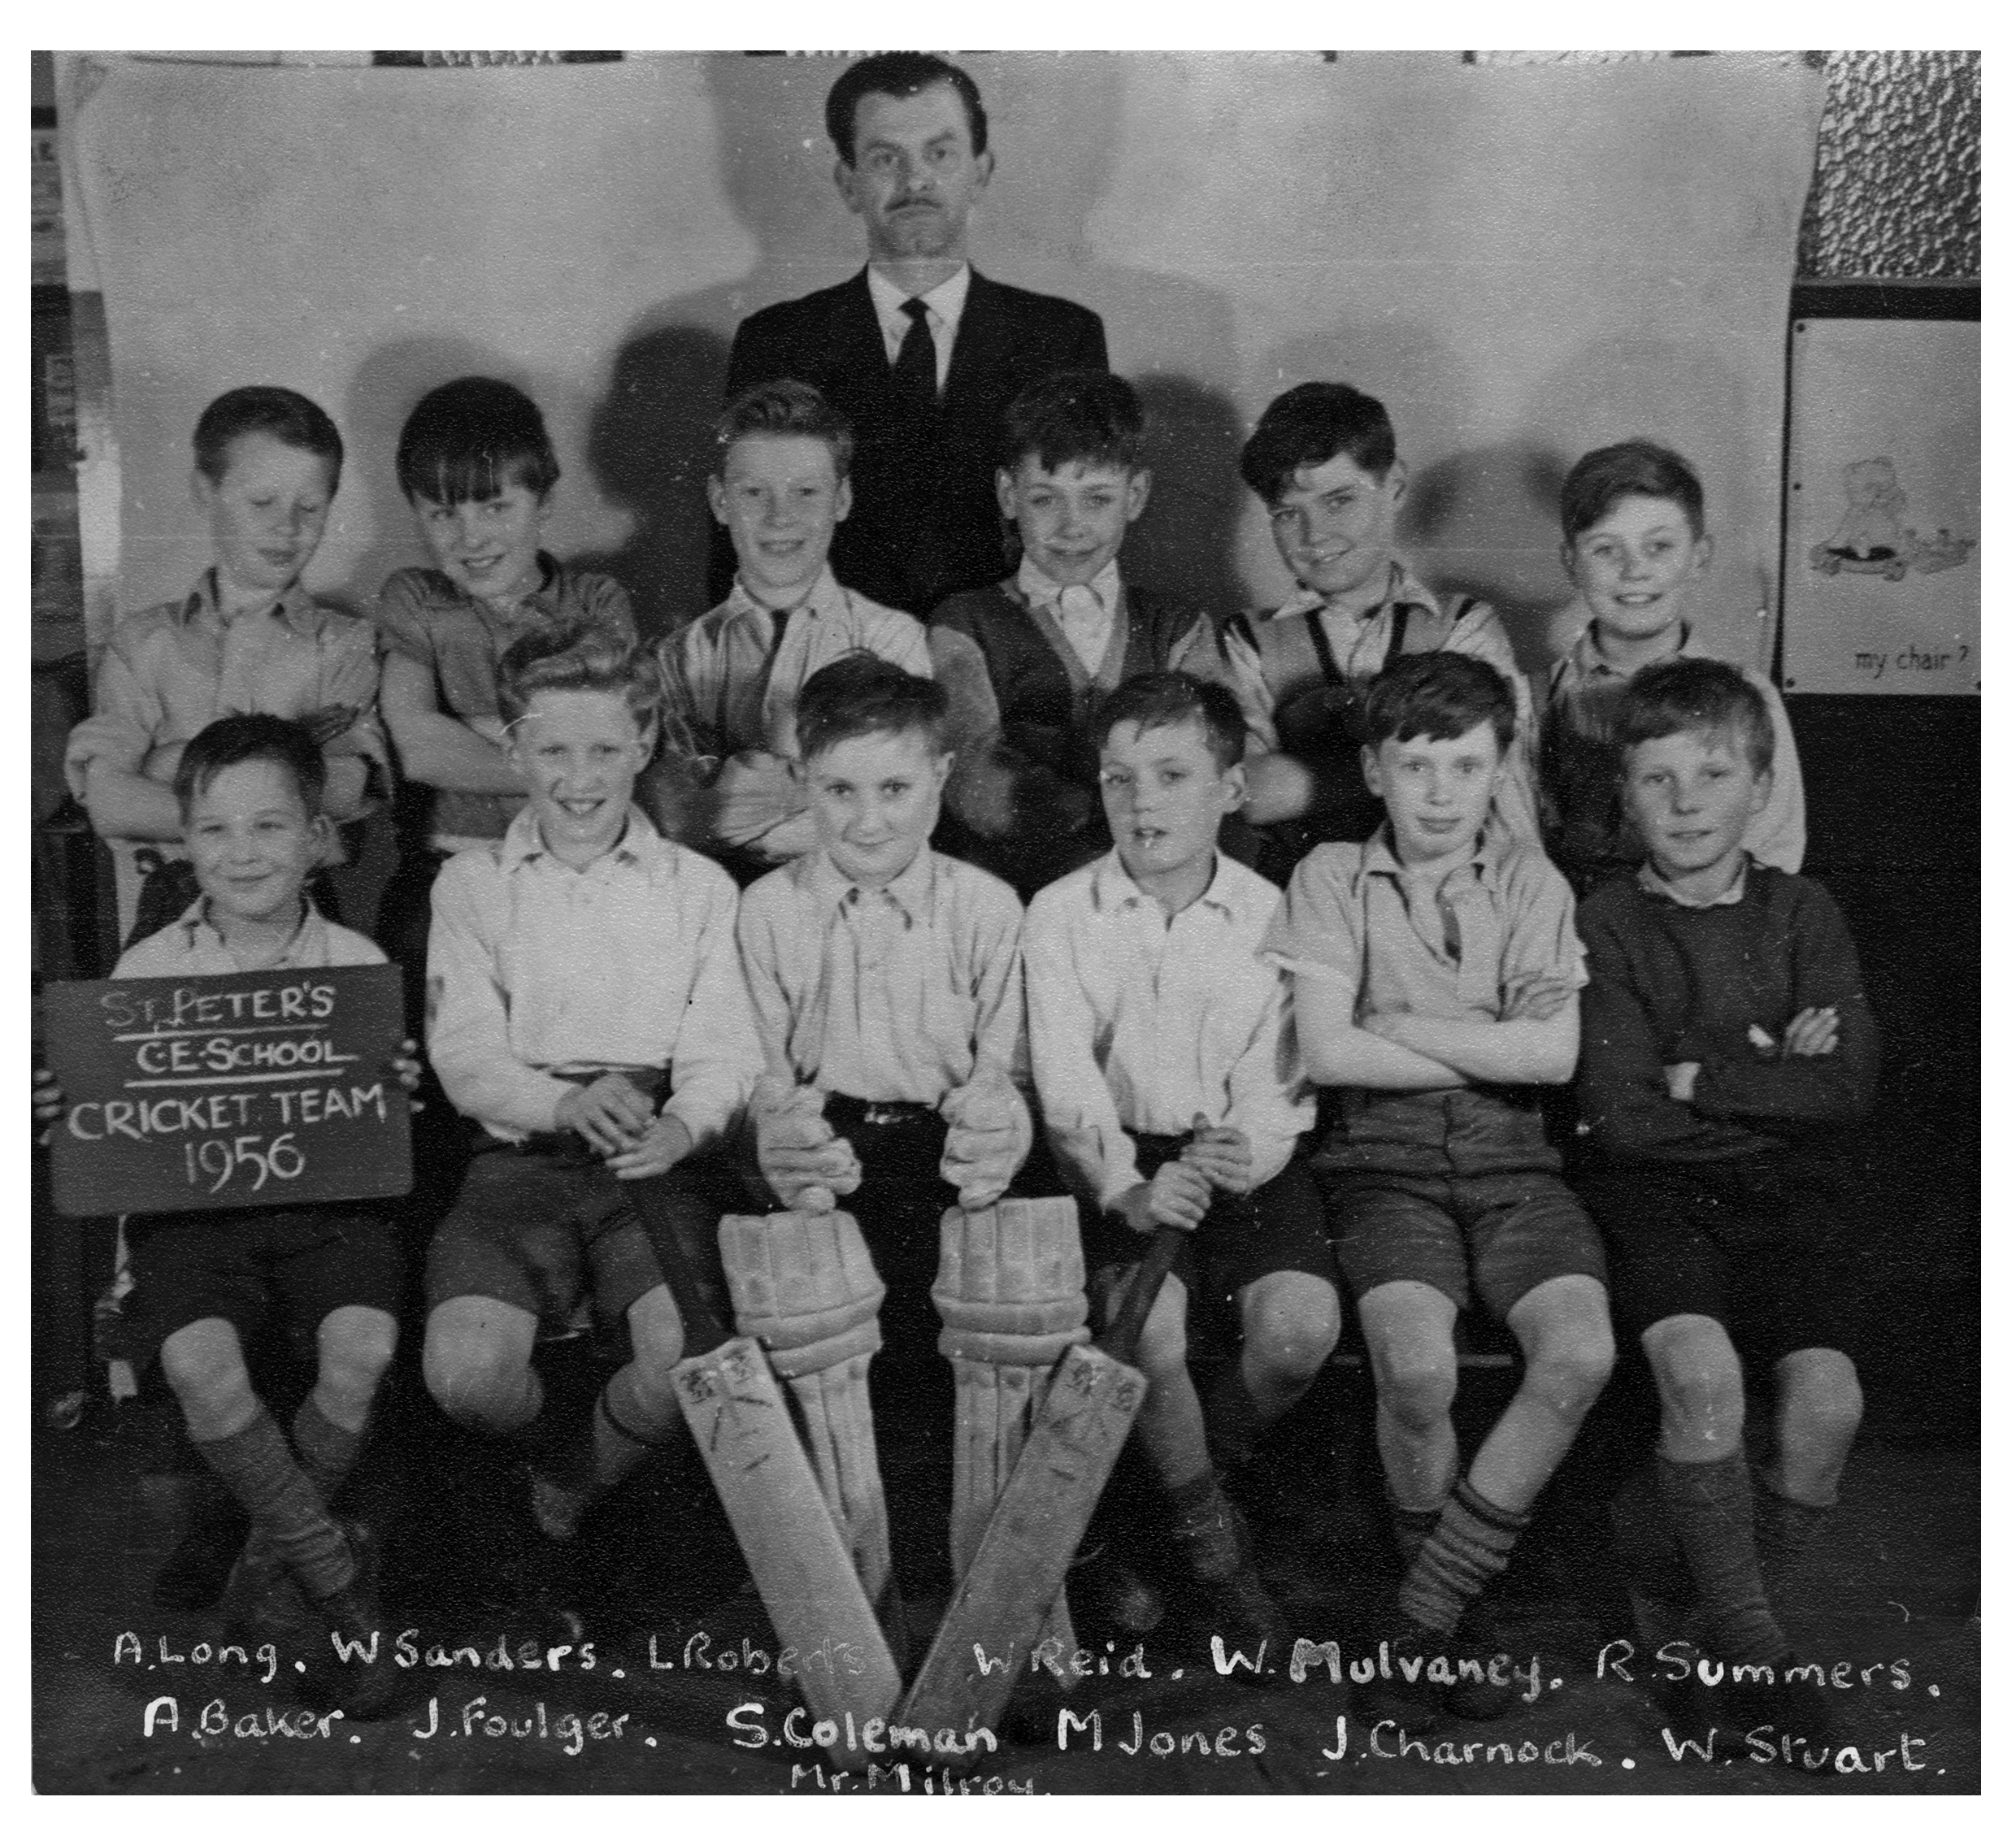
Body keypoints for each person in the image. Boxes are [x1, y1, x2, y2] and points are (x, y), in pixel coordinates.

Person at [35, 715, 416, 1717]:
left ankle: (265, 1571)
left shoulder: (355, 959)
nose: (242, 853)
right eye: (214, 830)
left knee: (364, 1347)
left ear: (317, 838)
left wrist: (392, 1090)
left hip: (327, 1209)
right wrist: (74, 1104)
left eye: (268, 826)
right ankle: (334, 1582)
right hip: (195, 1221)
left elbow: (370, 1120)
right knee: (201, 1364)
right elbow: (118, 1127)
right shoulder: (148, 970)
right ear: (186, 841)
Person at [1265, 651, 1614, 1720]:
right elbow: (1330, 1054)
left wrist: (1400, 1023)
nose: (1440, 792)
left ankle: (1426, 1612)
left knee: (1580, 1351)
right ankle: (1449, 1622)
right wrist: (1481, 1043)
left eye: (1465, 766)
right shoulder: (1330, 875)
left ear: (1499, 769)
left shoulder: (1532, 883)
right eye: (1415, 765)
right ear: (1374, 769)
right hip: (1384, 1166)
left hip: (1516, 1165)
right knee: (1416, 1372)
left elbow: (1553, 1057)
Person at [1575, 658, 1875, 1738]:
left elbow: (1848, 1089)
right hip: (1653, 1197)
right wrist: (1773, 1076)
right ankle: (1757, 1663)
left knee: (1826, 1403)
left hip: (1784, 1196)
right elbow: (1620, 1116)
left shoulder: (1802, 910)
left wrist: (1696, 1074)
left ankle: (1707, 1638)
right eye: (1657, 779)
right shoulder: (1609, 917)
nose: (1686, 802)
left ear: (1759, 785)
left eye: (1712, 775)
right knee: (1701, 1375)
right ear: (1624, 795)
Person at [419, 623, 760, 1551]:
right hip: (516, 1165)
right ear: (513, 749)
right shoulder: (469, 885)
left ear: (643, 745)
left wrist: (683, 1129)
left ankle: (581, 1474)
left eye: (605, 749)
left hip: (653, 1165)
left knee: (687, 1363)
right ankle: (550, 1448)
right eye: (553, 750)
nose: (579, 778)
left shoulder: (699, 888)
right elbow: (465, 1056)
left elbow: (720, 1051)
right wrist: (562, 1103)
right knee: (465, 1378)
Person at [1022, 671, 1336, 1648]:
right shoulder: (1060, 913)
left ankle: (1158, 1511)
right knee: (1148, 1340)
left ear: (1230, 789)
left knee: (1297, 1334)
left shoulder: (1271, 913)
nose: (1141, 802)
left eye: (1170, 775)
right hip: (1120, 1167)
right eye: (1119, 779)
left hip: (1239, 1161)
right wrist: (1124, 1187)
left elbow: (1279, 1080)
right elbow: (1066, 1081)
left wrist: (1242, 1150)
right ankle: (1215, 1562)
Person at [737, 654, 1032, 1584]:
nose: (868, 821)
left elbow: (1006, 1069)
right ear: (802, 781)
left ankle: (974, 1570)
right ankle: (845, 1576)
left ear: (940, 775)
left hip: (948, 1153)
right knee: (820, 1345)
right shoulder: (766, 911)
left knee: (971, 1347)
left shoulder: (985, 908)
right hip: (826, 1152)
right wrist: (782, 1139)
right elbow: (762, 1073)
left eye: (895, 789)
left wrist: (996, 1126)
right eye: (840, 791)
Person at [722, 51, 1109, 616]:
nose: (915, 180)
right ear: (848, 183)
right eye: (886, 159)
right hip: (829, 652)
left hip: (1014, 649)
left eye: (940, 153)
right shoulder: (778, 341)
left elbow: (1086, 534)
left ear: (980, 173)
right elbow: (738, 547)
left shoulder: (1061, 337)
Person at [63, 387, 386, 946]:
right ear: (204, 490)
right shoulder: (142, 642)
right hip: (171, 905)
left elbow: (344, 790)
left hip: (306, 908)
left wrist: (166, 762)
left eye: (310, 507)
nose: (288, 526)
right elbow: (112, 805)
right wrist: (285, 764)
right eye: (262, 501)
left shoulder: (345, 644)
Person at [374, 375, 637, 999]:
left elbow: (614, 748)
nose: (471, 538)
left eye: (495, 507)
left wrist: (468, 728)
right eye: (444, 513)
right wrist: (559, 754)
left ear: (543, 502)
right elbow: (417, 747)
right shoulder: (415, 598)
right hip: (447, 867)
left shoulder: (595, 602)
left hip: (575, 869)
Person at [1219, 381, 1537, 884]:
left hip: (1450, 891)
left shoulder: (1462, 622)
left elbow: (1505, 790)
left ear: (1395, 486)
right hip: (1301, 897)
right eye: (1287, 514)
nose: (1315, 535)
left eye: (1339, 500)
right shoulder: (1249, 639)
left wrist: (1308, 773)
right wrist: (1424, 761)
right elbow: (1253, 794)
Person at [930, 370, 1210, 898]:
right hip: (1011, 896)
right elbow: (974, 781)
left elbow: (1208, 774)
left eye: (1098, 499)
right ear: (1008, 495)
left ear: (1136, 494)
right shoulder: (964, 622)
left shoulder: (1177, 626)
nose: (1071, 525)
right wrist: (1130, 792)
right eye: (1045, 499)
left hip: (1154, 896)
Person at [654, 381, 930, 878]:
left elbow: (896, 815)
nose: (780, 517)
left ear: (841, 499)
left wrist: (733, 795)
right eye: (754, 492)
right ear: (719, 501)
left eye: (806, 492)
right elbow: (678, 819)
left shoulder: (892, 640)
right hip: (713, 892)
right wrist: (826, 787)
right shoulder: (682, 654)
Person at [1538, 438, 1805, 896]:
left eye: (1659, 547)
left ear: (1698, 558)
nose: (1634, 571)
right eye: (1605, 550)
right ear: (1571, 563)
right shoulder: (1538, 698)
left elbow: (1773, 854)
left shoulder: (1750, 696)